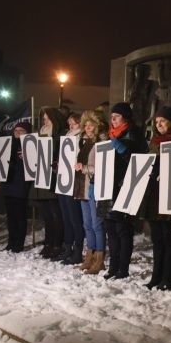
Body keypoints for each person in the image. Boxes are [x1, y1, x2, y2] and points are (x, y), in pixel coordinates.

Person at [98, 102, 147, 280]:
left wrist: (121, 148)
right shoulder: (110, 136)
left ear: (125, 117)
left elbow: (136, 159)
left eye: (116, 116)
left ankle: (123, 268)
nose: (113, 119)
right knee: (110, 228)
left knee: (122, 229)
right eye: (111, 116)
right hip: (108, 187)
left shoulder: (133, 134)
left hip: (123, 187)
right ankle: (113, 266)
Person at [138, 106, 171, 290]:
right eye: (157, 122)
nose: (159, 124)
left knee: (168, 236)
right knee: (157, 238)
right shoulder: (154, 141)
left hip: (168, 193)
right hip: (153, 194)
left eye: (163, 120)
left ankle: (169, 277)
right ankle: (157, 275)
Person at [73, 109, 108, 275]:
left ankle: (99, 258)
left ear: (97, 125)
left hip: (95, 187)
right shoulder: (84, 142)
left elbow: (102, 167)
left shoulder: (101, 143)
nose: (87, 127)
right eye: (85, 125)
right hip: (82, 187)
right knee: (87, 225)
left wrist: (84, 168)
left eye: (91, 124)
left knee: (97, 224)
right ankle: (89, 256)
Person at [29, 107, 66, 259]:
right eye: (43, 119)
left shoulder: (60, 135)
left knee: (55, 213)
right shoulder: (40, 135)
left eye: (48, 118)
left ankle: (57, 244)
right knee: (46, 215)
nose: (45, 121)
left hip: (53, 178)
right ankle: (48, 242)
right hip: (41, 177)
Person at [55, 111, 85, 264]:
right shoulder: (67, 136)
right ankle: (68, 248)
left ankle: (78, 250)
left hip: (74, 180)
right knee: (66, 217)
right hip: (63, 179)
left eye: (74, 123)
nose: (71, 126)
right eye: (70, 124)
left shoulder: (80, 138)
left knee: (75, 218)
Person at [1, 121, 32, 252]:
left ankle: (19, 243)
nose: (18, 133)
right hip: (8, 182)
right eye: (16, 130)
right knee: (11, 215)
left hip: (20, 182)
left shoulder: (30, 145)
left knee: (20, 214)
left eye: (21, 131)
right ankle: (11, 242)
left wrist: (28, 158)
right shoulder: (8, 144)